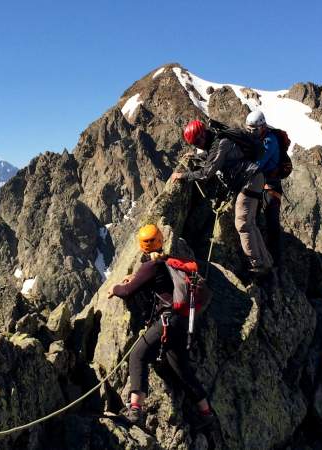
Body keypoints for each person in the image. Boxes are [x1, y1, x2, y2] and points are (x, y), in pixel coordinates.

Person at [107, 224, 215, 429]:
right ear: (161, 240)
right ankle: (206, 413)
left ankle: (135, 411)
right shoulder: (168, 262)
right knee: (182, 370)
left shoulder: (151, 266)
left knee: (138, 355)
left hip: (167, 321)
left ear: (141, 246)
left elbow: (128, 291)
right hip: (182, 322)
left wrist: (115, 287)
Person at [171, 119, 273, 275]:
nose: (197, 146)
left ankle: (257, 264)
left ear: (201, 136)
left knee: (243, 224)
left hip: (249, 180)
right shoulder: (217, 141)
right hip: (254, 178)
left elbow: (207, 173)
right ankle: (266, 261)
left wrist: (184, 175)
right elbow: (213, 157)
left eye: (197, 143)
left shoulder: (221, 143)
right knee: (251, 223)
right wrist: (197, 156)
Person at [245, 111, 285, 266]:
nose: (251, 132)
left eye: (254, 129)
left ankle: (275, 259)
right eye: (249, 129)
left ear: (262, 127)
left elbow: (259, 164)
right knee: (258, 218)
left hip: (271, 185)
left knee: (272, 222)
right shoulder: (260, 138)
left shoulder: (270, 141)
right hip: (262, 183)